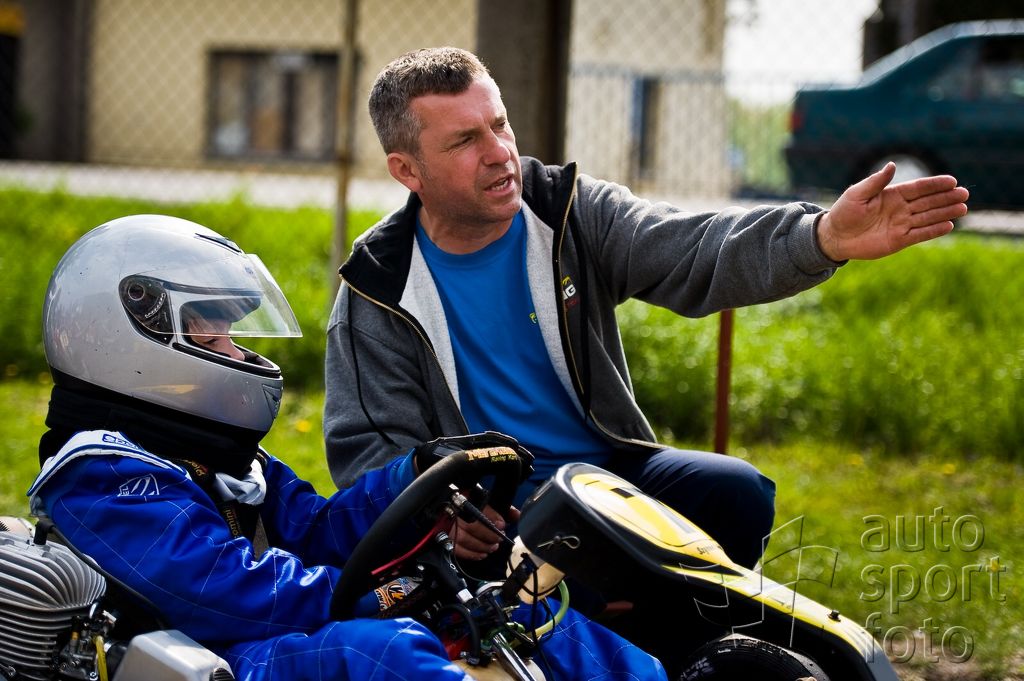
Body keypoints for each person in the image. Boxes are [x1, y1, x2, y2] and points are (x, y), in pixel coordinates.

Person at [323, 45, 969, 570]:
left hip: (607, 475)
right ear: (408, 171)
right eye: (465, 140)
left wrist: (820, 236)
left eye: (500, 124)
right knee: (561, 586)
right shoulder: (377, 286)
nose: (499, 151)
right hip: (498, 515)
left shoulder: (569, 211)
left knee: (737, 493)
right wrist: (445, 514)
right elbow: (368, 451)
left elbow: (693, 247)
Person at [28, 215, 667, 681]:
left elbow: (318, 530)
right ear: (131, 343)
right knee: (378, 652)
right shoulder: (103, 476)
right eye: (216, 338)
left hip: (265, 636)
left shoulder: (220, 458)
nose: (239, 354)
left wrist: (416, 475)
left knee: (513, 610)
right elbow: (227, 592)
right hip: (211, 655)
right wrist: (383, 593)